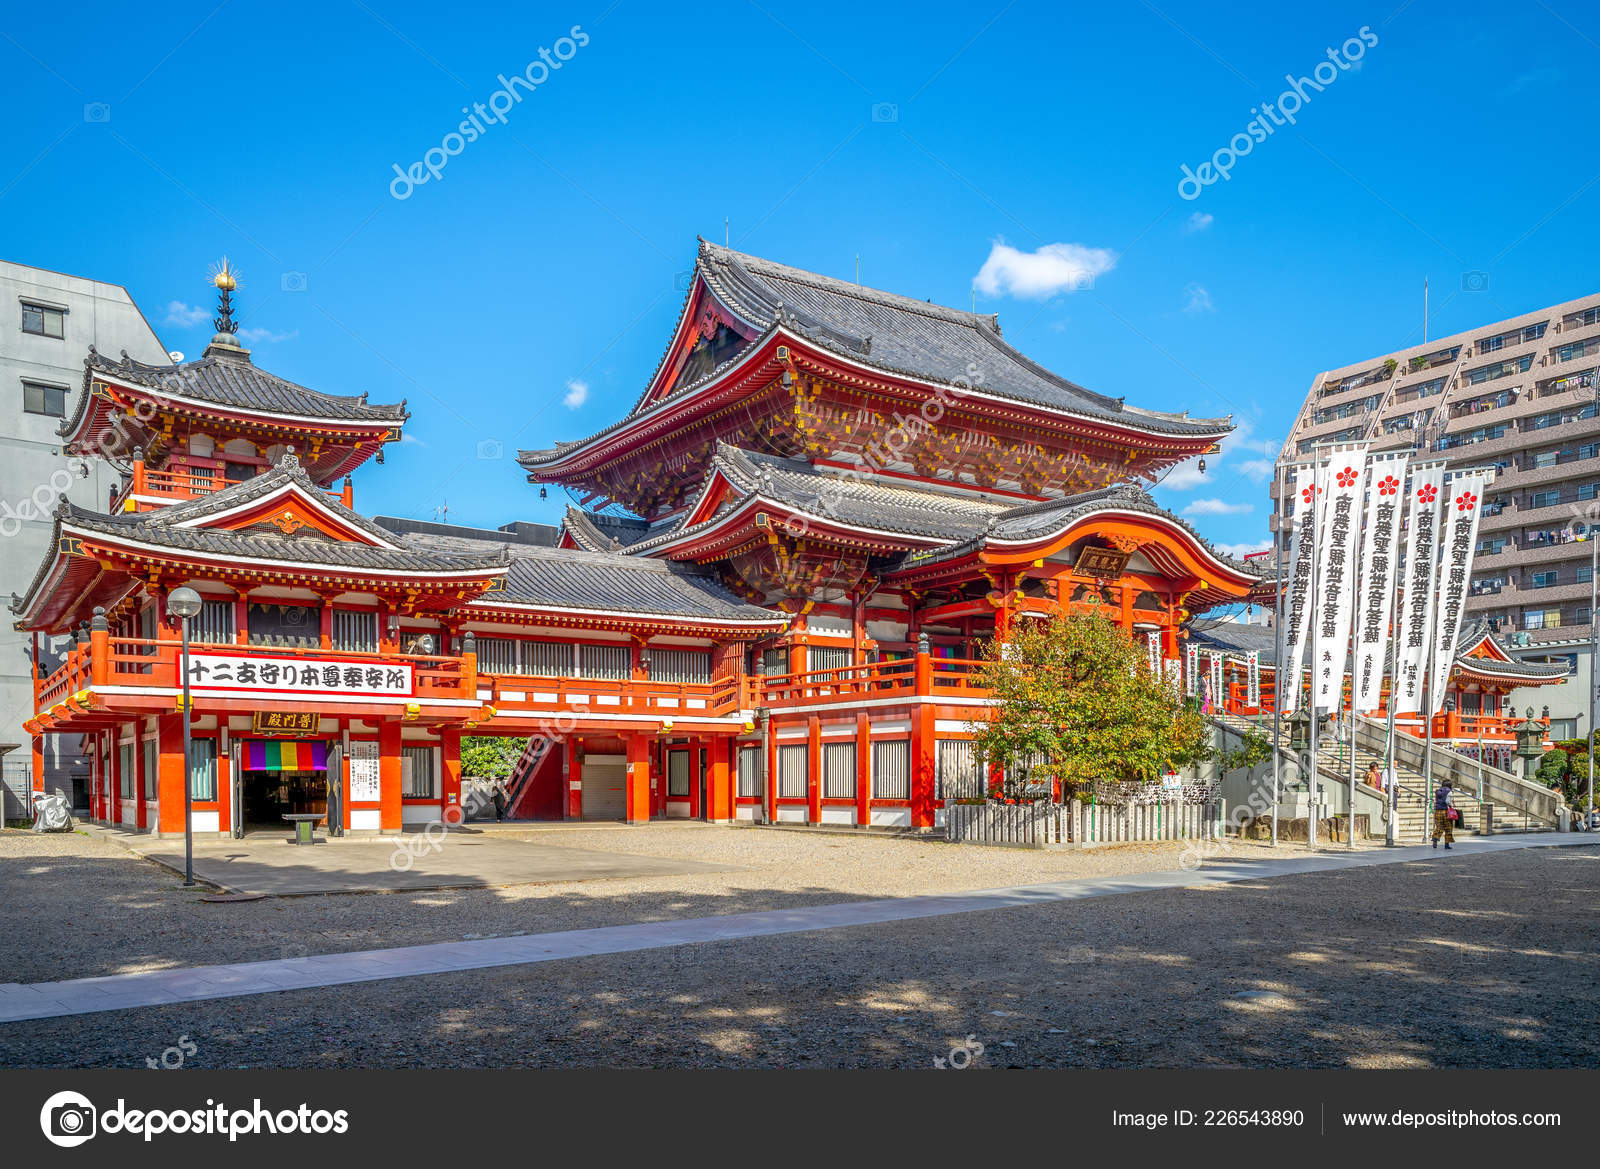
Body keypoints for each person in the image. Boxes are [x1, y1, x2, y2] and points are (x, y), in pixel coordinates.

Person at [1432, 780, 1456, 849]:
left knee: (1439, 826)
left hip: (1437, 811)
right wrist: (1452, 806)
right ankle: (1446, 845)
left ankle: (1435, 838)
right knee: (1448, 828)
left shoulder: (1438, 791)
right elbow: (1447, 801)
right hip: (1446, 811)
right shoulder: (1449, 791)